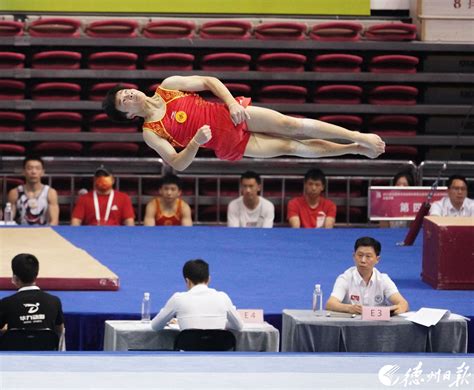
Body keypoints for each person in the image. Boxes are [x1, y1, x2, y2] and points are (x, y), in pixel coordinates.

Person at [102, 76, 385, 171]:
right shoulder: (151, 133)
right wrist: (195, 144)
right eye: (123, 100)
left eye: (125, 91)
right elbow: (177, 164)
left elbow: (208, 81)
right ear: (128, 115)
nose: (128, 94)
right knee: (292, 147)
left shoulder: (168, 86)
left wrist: (232, 103)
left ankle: (357, 135)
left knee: (291, 125)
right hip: (229, 143)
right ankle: (354, 149)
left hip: (233, 114)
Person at [151, 259, 244, 331]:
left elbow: (155, 326)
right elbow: (239, 326)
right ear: (209, 279)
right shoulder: (223, 297)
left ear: (187, 281)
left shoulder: (178, 299)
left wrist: (180, 321)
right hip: (217, 352)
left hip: (187, 352)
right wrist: (221, 321)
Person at [325, 237, 409, 315]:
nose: (363, 260)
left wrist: (394, 311)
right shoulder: (345, 278)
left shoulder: (383, 279)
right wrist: (349, 308)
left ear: (377, 259)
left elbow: (403, 304)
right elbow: (330, 304)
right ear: (354, 256)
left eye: (368, 256)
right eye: (360, 255)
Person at [0, 253, 64, 337]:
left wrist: (8, 334)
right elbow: (60, 331)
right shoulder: (54, 301)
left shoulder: (6, 303)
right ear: (36, 275)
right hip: (46, 348)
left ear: (15, 278)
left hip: (16, 349)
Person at [71, 166, 135, 226]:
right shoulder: (84, 198)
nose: (102, 179)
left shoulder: (123, 198)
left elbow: (129, 222)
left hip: (115, 233)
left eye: (106, 176)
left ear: (112, 180)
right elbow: (76, 221)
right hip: (91, 233)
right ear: (94, 180)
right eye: (99, 177)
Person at [7, 155, 59, 225]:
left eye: (37, 168)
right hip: (20, 233)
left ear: (42, 172)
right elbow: (9, 220)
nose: (33, 172)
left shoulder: (50, 192)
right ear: (23, 172)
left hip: (44, 233)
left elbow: (54, 221)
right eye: (29, 168)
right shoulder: (15, 193)